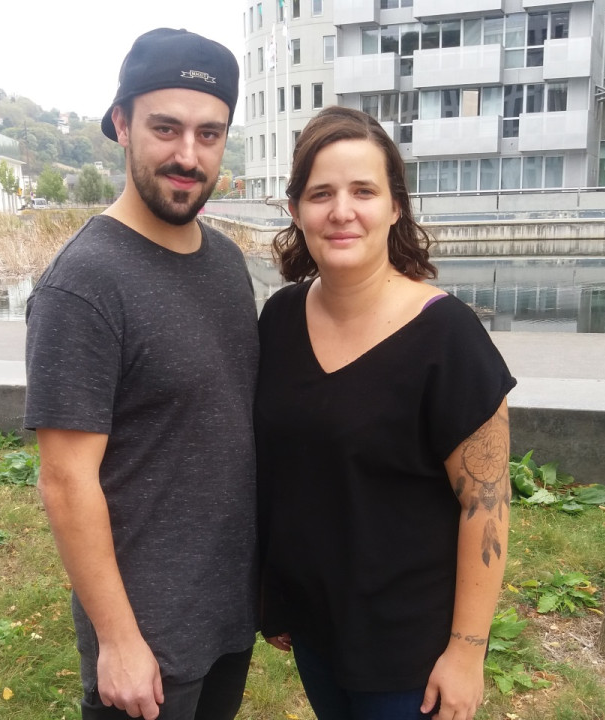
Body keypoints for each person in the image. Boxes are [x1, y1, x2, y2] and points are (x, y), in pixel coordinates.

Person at [24, 28, 258, 720]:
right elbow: (65, 481)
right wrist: (118, 641)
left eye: (210, 134)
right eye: (166, 128)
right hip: (145, 642)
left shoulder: (226, 262)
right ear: (121, 125)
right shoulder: (85, 284)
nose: (189, 156)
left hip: (225, 612)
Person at [255, 106, 517, 720]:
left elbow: (487, 506)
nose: (341, 211)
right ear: (296, 211)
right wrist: (280, 593)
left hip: (412, 653)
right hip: (317, 633)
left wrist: (467, 651)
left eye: (363, 191)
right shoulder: (280, 319)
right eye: (321, 194)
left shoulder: (446, 335)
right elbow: (289, 473)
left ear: (395, 206)